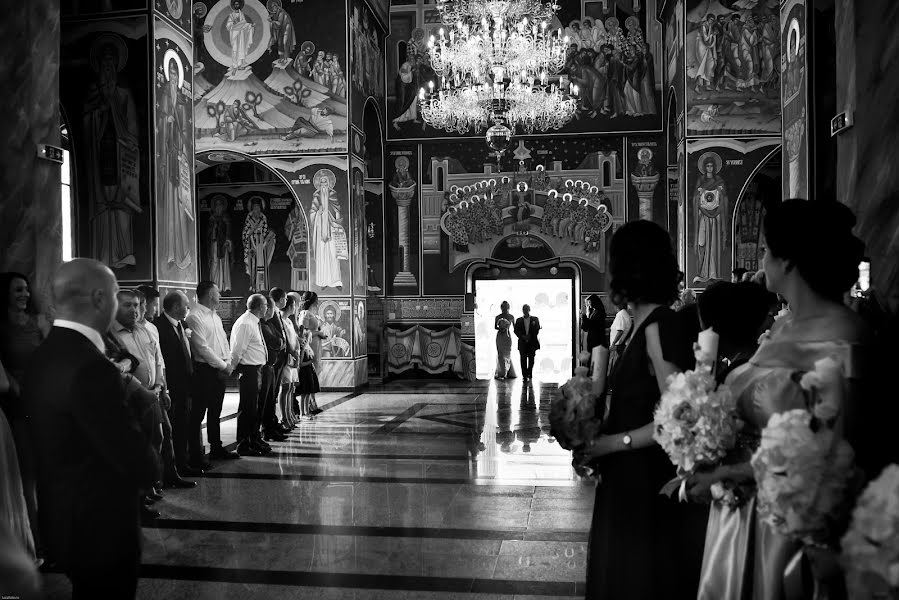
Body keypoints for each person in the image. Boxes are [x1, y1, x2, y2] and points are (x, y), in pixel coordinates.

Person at [689, 199, 871, 600]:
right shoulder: (782, 325)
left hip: (790, 527)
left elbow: (834, 453)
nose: (762, 260)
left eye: (766, 250)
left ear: (788, 261)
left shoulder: (840, 335)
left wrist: (725, 475)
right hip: (739, 516)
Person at [578, 220, 706, 599]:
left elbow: (680, 418)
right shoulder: (638, 324)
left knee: (640, 575)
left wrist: (612, 443)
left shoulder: (659, 324)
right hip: (624, 474)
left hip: (645, 476)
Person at [25, 258, 152, 599]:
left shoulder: (45, 354)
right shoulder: (90, 367)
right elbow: (128, 453)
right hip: (101, 526)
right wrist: (150, 463)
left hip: (64, 516)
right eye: (114, 294)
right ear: (99, 298)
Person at [0, 272, 48, 555]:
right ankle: (37, 543)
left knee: (46, 472)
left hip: (42, 401)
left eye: (26, 290)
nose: (25, 295)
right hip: (16, 405)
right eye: (18, 290)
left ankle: (52, 537)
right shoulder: (1, 328)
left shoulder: (38, 322)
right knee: (27, 475)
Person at [185, 281, 239, 462]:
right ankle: (195, 454)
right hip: (204, 372)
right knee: (198, 414)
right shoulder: (194, 316)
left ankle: (216, 447)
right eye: (217, 293)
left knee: (216, 411)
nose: (220, 296)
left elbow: (224, 341)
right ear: (209, 294)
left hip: (219, 370)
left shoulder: (215, 316)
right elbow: (202, 348)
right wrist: (224, 366)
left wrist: (228, 361)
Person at [157, 291, 204, 474]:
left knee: (184, 424)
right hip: (172, 386)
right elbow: (162, 360)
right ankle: (177, 466)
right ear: (176, 307)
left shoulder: (182, 324)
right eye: (186, 305)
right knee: (175, 427)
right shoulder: (159, 327)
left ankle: (185, 462)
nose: (188, 308)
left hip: (186, 384)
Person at [230, 294, 272, 457]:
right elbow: (237, 350)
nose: (267, 308)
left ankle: (254, 438)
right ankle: (243, 443)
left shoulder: (253, 321)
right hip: (248, 371)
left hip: (256, 369)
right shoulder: (246, 323)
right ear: (260, 306)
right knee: (247, 408)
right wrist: (231, 368)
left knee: (254, 408)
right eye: (266, 305)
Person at [260, 289, 288, 442]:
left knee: (273, 395)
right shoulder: (266, 321)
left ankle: (272, 424)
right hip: (270, 361)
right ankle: (267, 428)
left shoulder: (275, 315)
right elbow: (275, 338)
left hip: (277, 359)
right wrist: (281, 343)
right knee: (268, 398)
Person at [298, 291, 328, 413]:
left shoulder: (312, 314)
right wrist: (318, 333)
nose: (317, 301)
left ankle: (313, 403)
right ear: (312, 300)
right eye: (316, 299)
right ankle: (310, 405)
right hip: (310, 346)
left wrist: (320, 333)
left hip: (316, 345)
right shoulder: (305, 314)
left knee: (314, 375)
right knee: (311, 375)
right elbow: (303, 332)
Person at [278, 295, 300, 429]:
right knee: (285, 387)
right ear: (291, 306)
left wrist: (297, 349)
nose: (296, 307)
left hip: (293, 357)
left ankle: (290, 414)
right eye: (295, 305)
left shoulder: (290, 321)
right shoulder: (281, 320)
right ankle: (284, 417)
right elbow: (285, 340)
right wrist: (293, 353)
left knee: (291, 387)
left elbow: (294, 339)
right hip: (286, 358)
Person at [513, 304, 541, 381]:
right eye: (524, 309)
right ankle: (524, 375)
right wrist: (522, 336)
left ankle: (529, 373)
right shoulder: (519, 320)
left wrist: (530, 336)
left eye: (526, 309)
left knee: (531, 359)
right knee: (523, 359)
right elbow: (516, 330)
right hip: (522, 342)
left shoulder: (535, 319)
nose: (525, 310)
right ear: (522, 310)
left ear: (529, 309)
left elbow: (537, 329)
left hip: (532, 342)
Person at [607, 297, 631, 375]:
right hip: (621, 344)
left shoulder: (620, 315)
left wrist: (613, 344)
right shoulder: (625, 314)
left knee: (614, 367)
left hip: (618, 345)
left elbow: (620, 331)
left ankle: (612, 386)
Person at [494, 301, 516, 379]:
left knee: (507, 353)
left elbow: (515, 328)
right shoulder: (497, 317)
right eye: (503, 307)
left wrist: (506, 328)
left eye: (506, 307)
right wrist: (501, 328)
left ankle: (507, 370)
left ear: (508, 307)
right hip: (500, 336)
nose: (504, 308)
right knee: (501, 354)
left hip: (507, 336)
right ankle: (501, 372)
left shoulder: (511, 317)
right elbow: (495, 327)